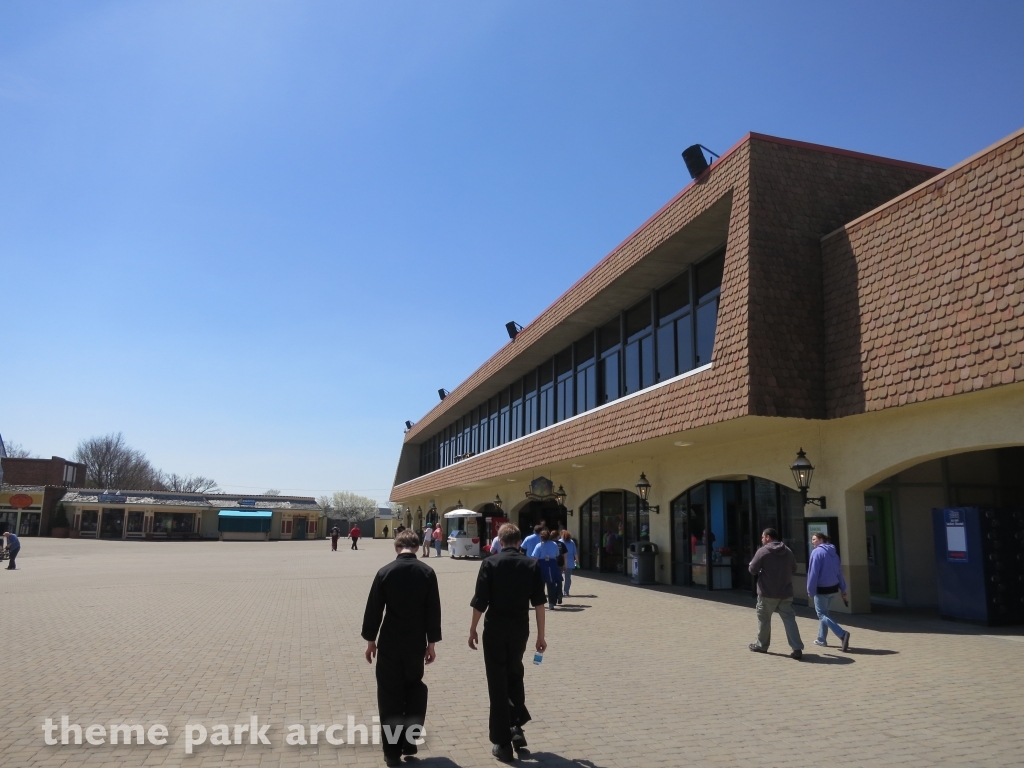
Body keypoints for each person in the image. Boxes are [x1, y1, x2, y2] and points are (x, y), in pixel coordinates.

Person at [362, 529, 442, 767]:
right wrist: (431, 643)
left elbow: (374, 609)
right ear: (417, 547)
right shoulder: (427, 572)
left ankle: (392, 751)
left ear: (397, 547)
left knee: (389, 695)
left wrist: (370, 641)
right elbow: (433, 609)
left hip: (390, 642)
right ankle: (410, 738)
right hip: (415, 643)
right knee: (414, 688)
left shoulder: (385, 572)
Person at [468, 523, 547, 762]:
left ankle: (502, 742)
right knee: (515, 674)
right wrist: (541, 635)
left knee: (497, 681)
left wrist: (472, 629)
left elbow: (480, 601)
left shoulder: (490, 563)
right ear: (519, 541)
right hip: (519, 629)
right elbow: (540, 603)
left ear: (499, 541)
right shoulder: (532, 565)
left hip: (495, 629)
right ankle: (516, 727)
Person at [748, 528, 804, 659]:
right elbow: (794, 568)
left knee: (764, 619)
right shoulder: (788, 551)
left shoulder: (762, 551)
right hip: (785, 592)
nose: (762, 539)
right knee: (789, 619)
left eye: (762, 537)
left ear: (768, 537)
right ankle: (797, 648)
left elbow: (752, 569)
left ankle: (762, 645)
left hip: (767, 593)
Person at [807, 532, 852, 652]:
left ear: (821, 540)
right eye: (812, 539)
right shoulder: (834, 554)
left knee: (821, 614)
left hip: (821, 589)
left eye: (814, 539)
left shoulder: (816, 552)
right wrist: (843, 589)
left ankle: (842, 634)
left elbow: (813, 573)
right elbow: (839, 572)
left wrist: (810, 590)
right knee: (825, 613)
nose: (813, 542)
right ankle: (821, 639)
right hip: (833, 588)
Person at [530, 529, 562, 610]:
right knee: (551, 585)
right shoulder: (554, 544)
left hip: (541, 566)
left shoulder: (538, 545)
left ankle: (540, 603)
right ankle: (551, 603)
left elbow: (535, 558)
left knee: (540, 586)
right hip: (552, 565)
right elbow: (557, 554)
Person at [560, 530, 579, 597]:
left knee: (559, 577)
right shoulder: (572, 542)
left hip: (561, 562)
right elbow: (575, 552)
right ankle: (566, 591)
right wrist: (577, 560)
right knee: (568, 578)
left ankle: (559, 591)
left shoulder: (560, 541)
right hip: (570, 562)